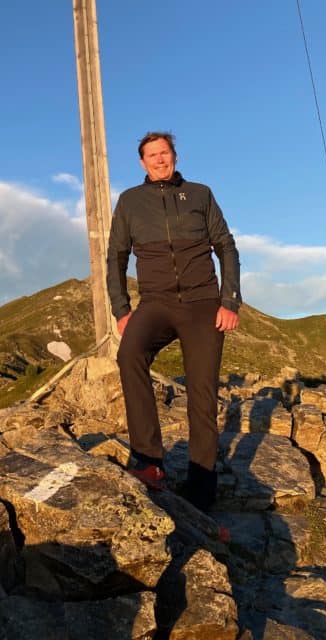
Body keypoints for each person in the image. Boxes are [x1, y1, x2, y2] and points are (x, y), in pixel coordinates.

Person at [107, 131, 240, 513]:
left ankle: (201, 492)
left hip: (202, 303)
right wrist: (121, 310)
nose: (159, 160)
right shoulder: (130, 201)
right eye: (151, 155)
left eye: (164, 153)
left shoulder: (201, 194)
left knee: (201, 392)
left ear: (175, 156)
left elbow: (226, 247)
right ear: (142, 163)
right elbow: (115, 256)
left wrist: (229, 300)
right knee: (129, 354)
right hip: (156, 303)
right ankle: (149, 462)